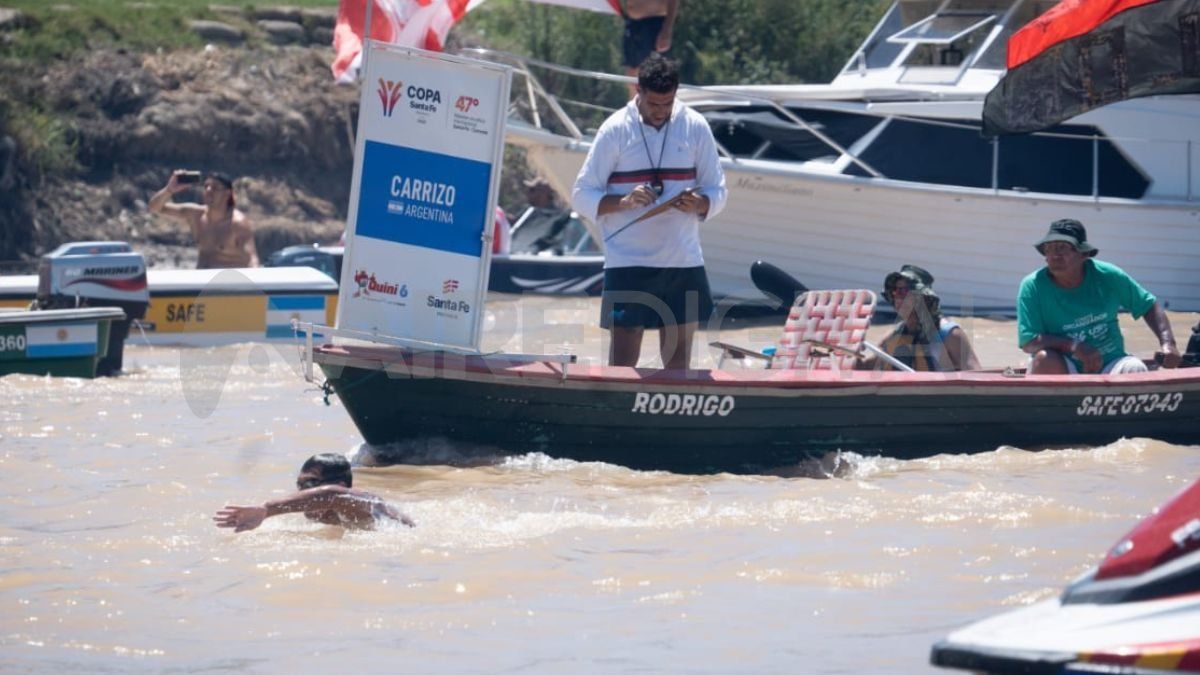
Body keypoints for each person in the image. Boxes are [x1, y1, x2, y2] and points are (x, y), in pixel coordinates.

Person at [572, 53, 727, 369]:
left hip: (682, 260)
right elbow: (581, 195)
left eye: (667, 105)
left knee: (678, 368)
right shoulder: (615, 129)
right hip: (628, 261)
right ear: (637, 92)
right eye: (653, 104)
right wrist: (624, 202)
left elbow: (718, 190)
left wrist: (700, 204)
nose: (660, 113)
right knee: (622, 366)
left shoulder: (695, 126)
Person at [1018, 218, 1181, 374]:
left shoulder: (1108, 275)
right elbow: (1028, 342)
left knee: (1135, 369)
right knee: (1045, 359)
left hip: (1110, 363)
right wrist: (1074, 346)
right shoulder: (1032, 286)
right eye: (1049, 249)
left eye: (1062, 248)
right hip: (1063, 365)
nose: (1054, 255)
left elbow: (1148, 306)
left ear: (1084, 254)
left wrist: (1168, 344)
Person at [213, 453, 414, 532]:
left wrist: (266, 509)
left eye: (310, 484)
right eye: (300, 485)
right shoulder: (332, 519)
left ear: (341, 484)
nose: (303, 493)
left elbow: (333, 495)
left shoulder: (361, 502)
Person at [857, 264, 981, 371]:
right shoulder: (893, 336)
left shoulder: (950, 334)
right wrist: (849, 350)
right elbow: (864, 367)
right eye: (895, 291)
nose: (898, 297)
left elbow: (976, 376)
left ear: (922, 297)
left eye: (904, 291)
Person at [149, 170, 259, 269]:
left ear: (227, 193)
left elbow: (252, 259)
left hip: (228, 285)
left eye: (215, 187)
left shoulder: (237, 223)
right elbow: (154, 208)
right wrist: (169, 189)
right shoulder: (195, 215)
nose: (208, 190)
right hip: (202, 283)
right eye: (206, 186)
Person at [620, 0, 679, 94]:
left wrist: (667, 29)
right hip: (633, 24)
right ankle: (636, 107)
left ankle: (659, 107)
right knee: (632, 75)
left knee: (658, 75)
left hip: (654, 24)